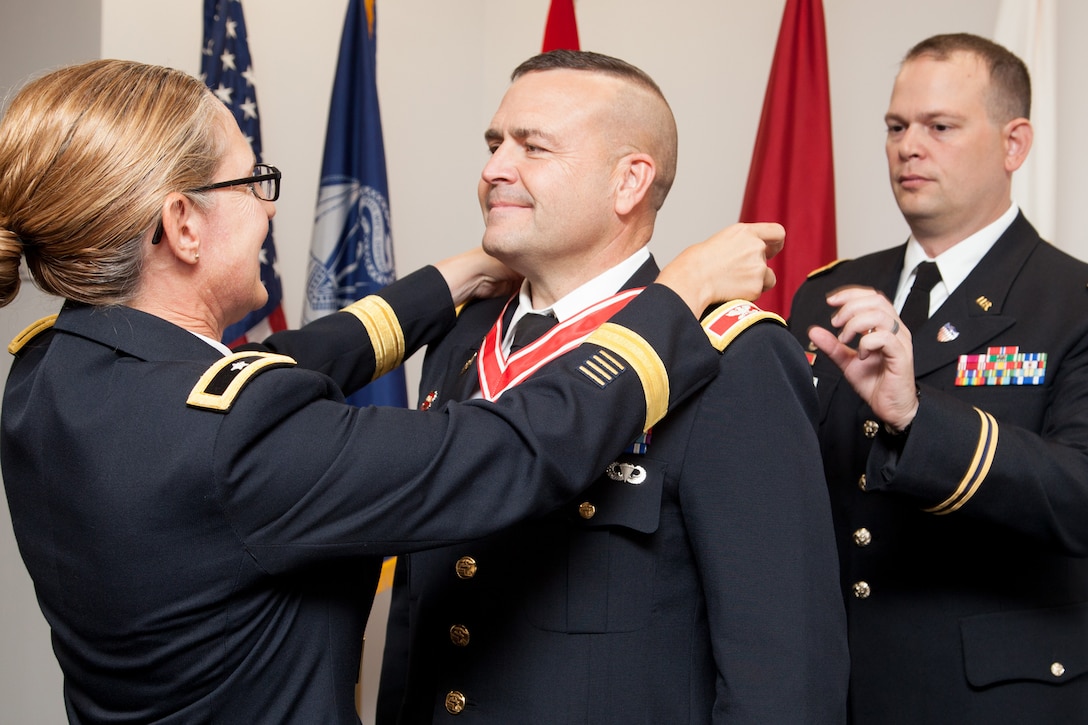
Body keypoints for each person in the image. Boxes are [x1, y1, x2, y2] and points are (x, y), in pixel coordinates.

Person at [0, 59, 784, 724]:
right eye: (251, 181)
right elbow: (513, 450)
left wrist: (455, 278)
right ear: (181, 224)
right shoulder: (236, 432)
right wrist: (674, 305)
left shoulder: (48, 374)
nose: (271, 207)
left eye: (532, 145)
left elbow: (289, 362)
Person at [376, 50, 848, 724]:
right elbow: (418, 606)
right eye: (493, 143)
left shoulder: (731, 355)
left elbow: (784, 675)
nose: (493, 170)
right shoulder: (462, 336)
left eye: (532, 146)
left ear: (629, 182)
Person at [789, 33, 1088, 722]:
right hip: (837, 690)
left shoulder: (1069, 300)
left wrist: (921, 418)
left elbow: (1079, 495)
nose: (908, 147)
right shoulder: (828, 292)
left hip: (993, 699)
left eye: (940, 127)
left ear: (1014, 145)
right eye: (896, 127)